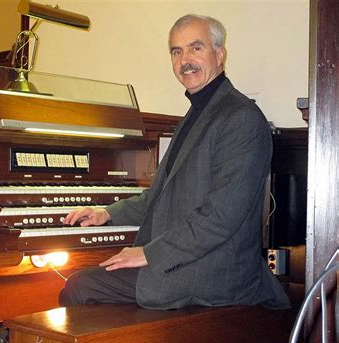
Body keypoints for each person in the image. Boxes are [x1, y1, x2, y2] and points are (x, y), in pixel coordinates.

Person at [59, 14, 291, 310]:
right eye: (176, 51)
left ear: (220, 54)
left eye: (196, 48)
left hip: (216, 272)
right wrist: (107, 213)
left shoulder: (240, 118)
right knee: (86, 278)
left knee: (80, 287)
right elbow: (160, 197)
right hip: (188, 260)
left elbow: (221, 218)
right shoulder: (198, 113)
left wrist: (149, 254)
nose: (185, 60)